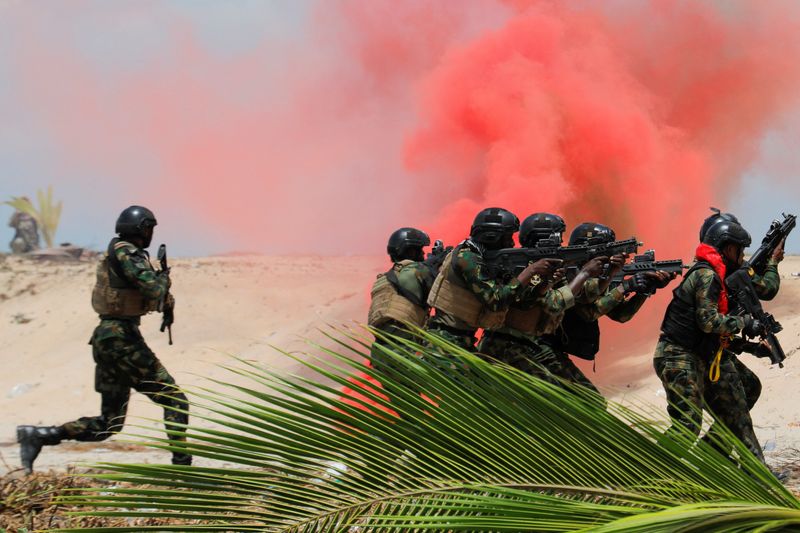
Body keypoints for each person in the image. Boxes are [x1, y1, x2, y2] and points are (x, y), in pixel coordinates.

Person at [16, 205, 190, 473]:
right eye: (147, 228)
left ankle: (39, 435)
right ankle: (183, 470)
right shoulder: (126, 251)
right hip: (120, 338)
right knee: (175, 399)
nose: (150, 234)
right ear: (137, 229)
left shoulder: (121, 252)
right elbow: (152, 287)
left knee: (109, 424)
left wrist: (166, 300)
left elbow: (147, 293)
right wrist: (164, 280)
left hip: (108, 338)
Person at [654, 217, 765, 461]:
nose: (742, 255)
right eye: (739, 249)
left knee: (746, 391)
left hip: (700, 355)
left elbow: (712, 334)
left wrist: (752, 348)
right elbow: (708, 322)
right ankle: (648, 475)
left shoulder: (717, 275)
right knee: (687, 425)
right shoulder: (707, 275)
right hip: (679, 357)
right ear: (727, 249)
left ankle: (711, 458)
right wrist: (745, 323)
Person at [477, 213, 606, 392]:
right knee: (558, 401)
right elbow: (554, 304)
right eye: (557, 238)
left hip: (524, 344)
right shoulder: (522, 269)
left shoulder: (537, 269)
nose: (561, 243)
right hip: (506, 346)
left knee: (584, 398)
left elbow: (584, 297)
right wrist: (584, 273)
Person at [426, 207, 558, 353]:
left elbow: (520, 302)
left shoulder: (487, 261)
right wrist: (531, 271)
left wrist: (544, 282)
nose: (512, 244)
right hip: (445, 341)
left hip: (461, 341)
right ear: (491, 237)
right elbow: (496, 300)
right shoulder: (467, 257)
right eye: (507, 238)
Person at [367, 227, 437, 375]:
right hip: (405, 352)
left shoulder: (383, 280)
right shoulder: (416, 272)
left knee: (404, 398)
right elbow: (439, 284)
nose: (423, 254)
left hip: (380, 354)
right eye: (420, 250)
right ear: (410, 251)